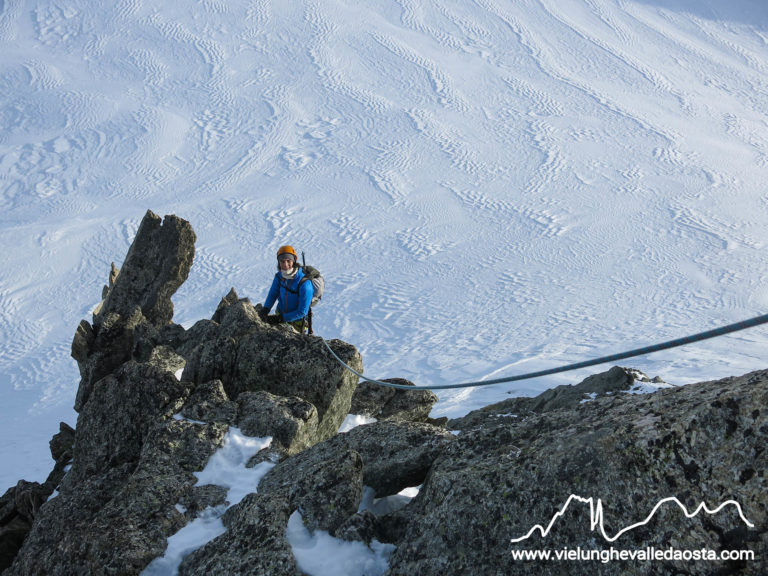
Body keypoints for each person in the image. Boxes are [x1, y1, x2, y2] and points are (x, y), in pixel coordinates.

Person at [259, 245, 314, 333]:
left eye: (289, 261)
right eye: (282, 261)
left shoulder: (305, 284)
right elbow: (273, 294)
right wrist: (266, 309)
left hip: (297, 322)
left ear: (294, 261)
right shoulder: (280, 276)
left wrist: (280, 319)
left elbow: (302, 312)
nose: (285, 265)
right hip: (280, 314)